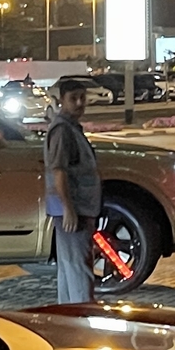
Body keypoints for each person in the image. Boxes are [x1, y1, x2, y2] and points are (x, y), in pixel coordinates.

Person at [43, 75, 104, 305]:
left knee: (70, 268)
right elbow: (59, 171)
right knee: (79, 269)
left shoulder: (69, 128)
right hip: (73, 210)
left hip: (72, 210)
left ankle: (69, 315)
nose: (79, 103)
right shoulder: (62, 131)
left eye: (82, 98)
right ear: (61, 100)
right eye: (73, 99)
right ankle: (83, 316)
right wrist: (69, 208)